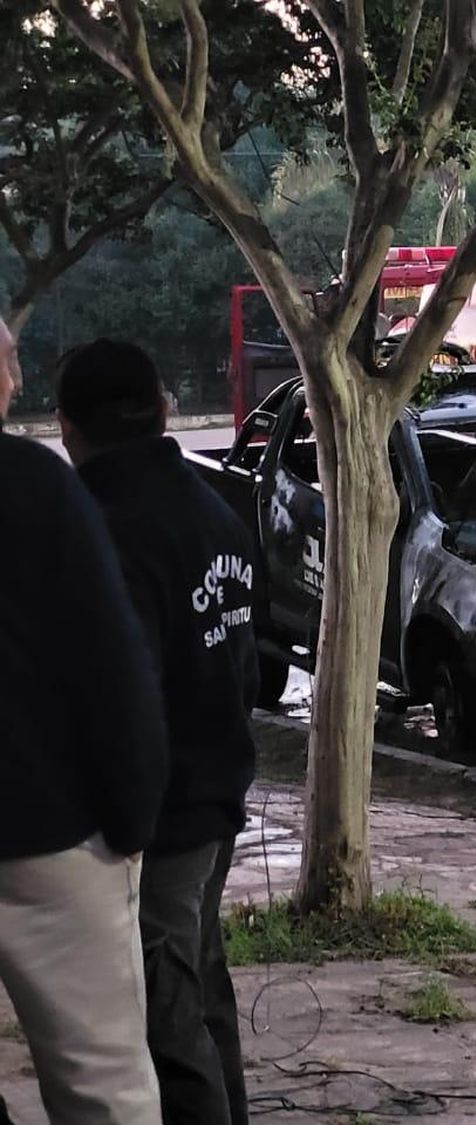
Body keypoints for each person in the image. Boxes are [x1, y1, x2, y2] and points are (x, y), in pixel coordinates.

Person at [56, 339, 259, 1125]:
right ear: (164, 407)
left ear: (68, 428)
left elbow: (118, 695)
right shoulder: (214, 506)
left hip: (157, 817)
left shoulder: (105, 531)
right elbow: (247, 667)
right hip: (215, 794)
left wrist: (119, 819)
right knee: (201, 990)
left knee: (168, 1014)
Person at [0, 314, 168, 1123]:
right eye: (5, 358)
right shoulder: (34, 484)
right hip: (46, 838)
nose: (17, 378)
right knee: (106, 1092)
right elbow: (111, 666)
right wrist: (132, 817)